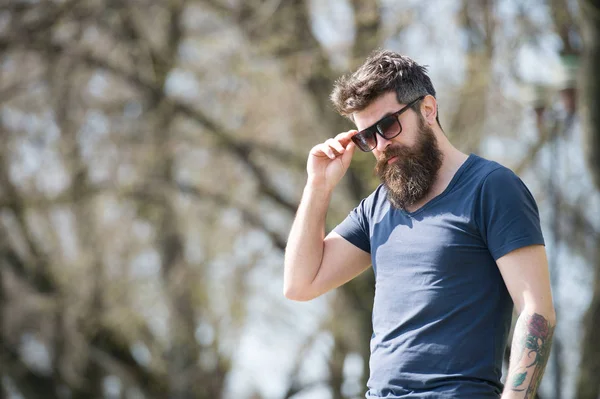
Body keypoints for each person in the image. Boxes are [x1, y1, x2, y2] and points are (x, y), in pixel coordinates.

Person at [283, 50, 556, 399]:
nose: (381, 144)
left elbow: (537, 313)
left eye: (388, 125)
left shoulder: (491, 187)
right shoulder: (377, 208)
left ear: (427, 109)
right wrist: (317, 187)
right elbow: (299, 284)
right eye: (368, 137)